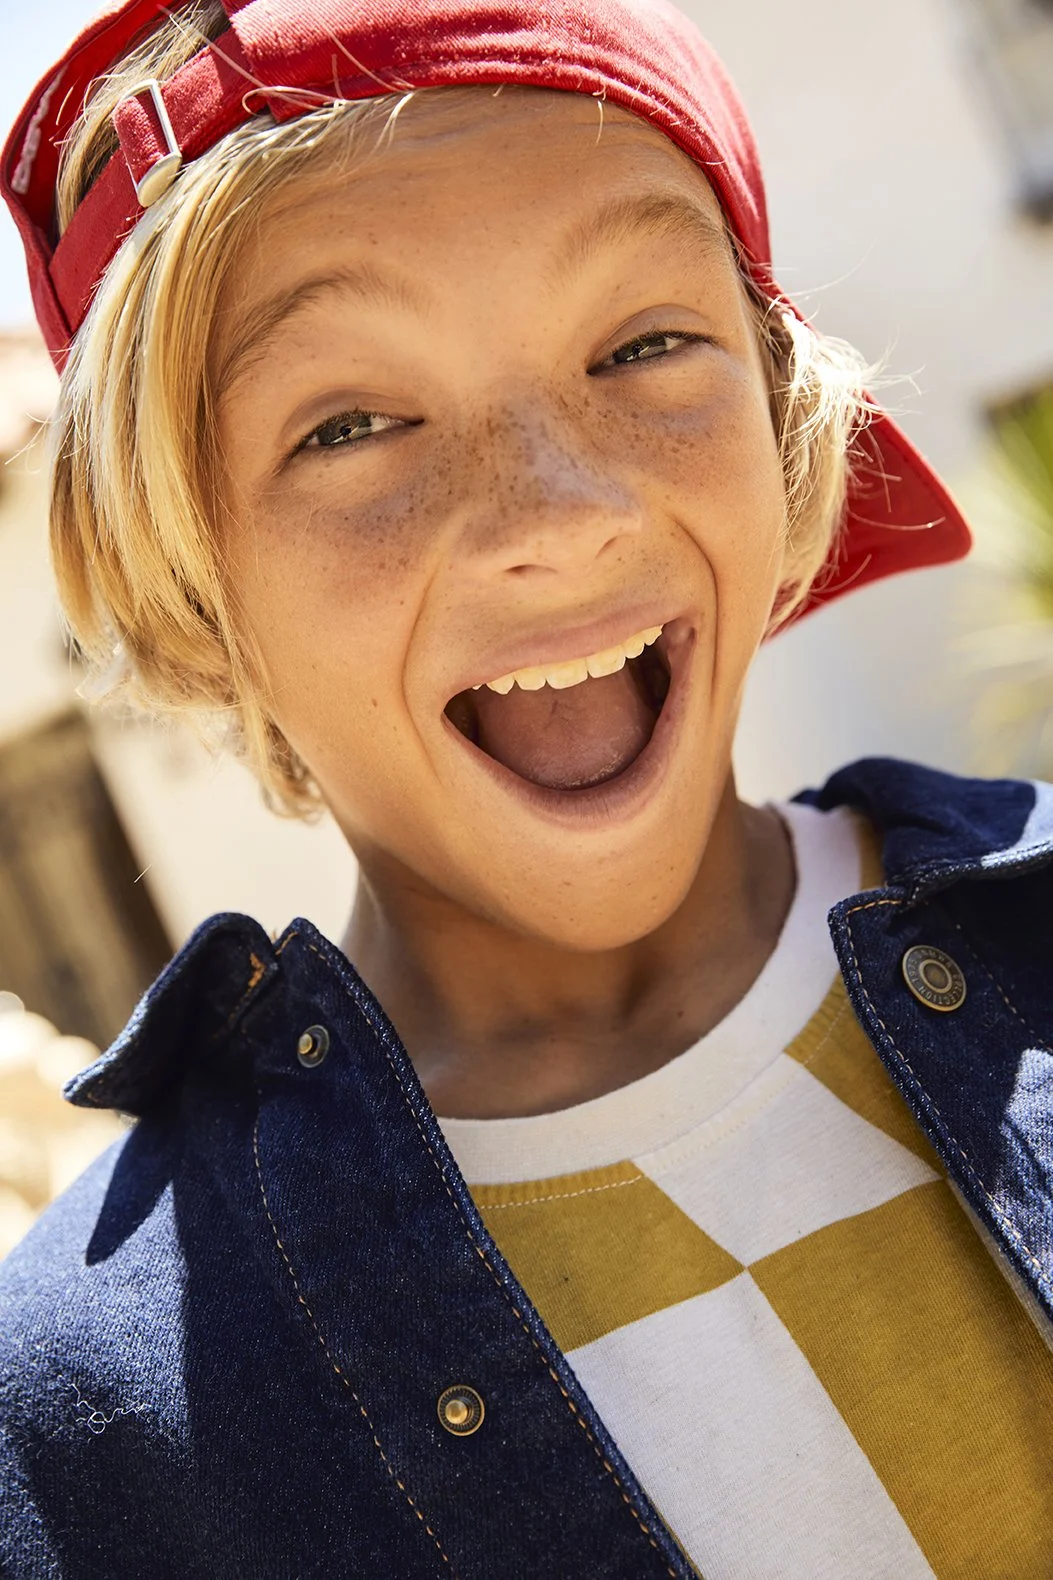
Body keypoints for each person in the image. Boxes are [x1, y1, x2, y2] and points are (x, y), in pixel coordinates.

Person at [2, 0, 1052, 1575]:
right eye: (351, 425)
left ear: (779, 409)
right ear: (193, 587)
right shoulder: (85, 1435)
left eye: (643, 346)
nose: (555, 516)